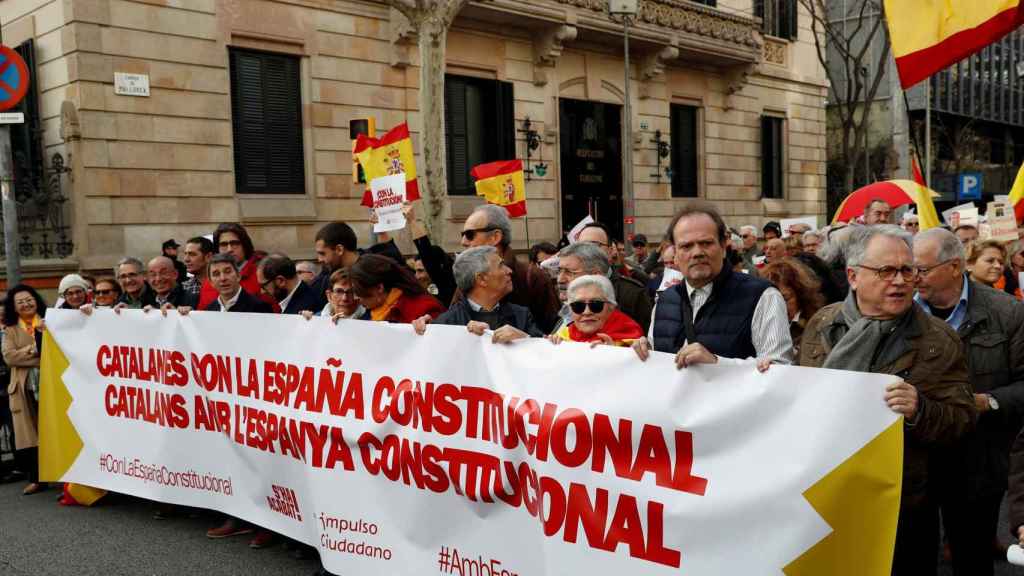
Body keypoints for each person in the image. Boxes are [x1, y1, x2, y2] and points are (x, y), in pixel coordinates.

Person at [799, 225, 975, 576]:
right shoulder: (823, 323)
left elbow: (962, 418)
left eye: (907, 270)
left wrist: (920, 410)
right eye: (885, 271)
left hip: (902, 507)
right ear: (853, 276)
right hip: (825, 497)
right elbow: (799, 397)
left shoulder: (938, 340)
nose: (899, 281)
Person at [914, 228, 1024, 575]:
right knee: (913, 557)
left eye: (922, 269)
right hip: (917, 459)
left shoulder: (1007, 312)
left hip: (980, 457)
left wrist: (989, 402)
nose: (912, 278)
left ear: (955, 266)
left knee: (972, 557)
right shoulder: (900, 311)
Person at [635, 202, 793, 368]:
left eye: (706, 243)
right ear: (675, 254)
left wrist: (717, 364)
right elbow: (658, 362)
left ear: (723, 246)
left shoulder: (763, 297)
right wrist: (638, 353)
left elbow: (778, 370)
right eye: (686, 246)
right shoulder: (664, 301)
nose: (697, 253)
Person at [460, 204, 560, 331]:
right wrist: (429, 326)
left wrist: (525, 338)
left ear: (495, 237)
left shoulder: (533, 277)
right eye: (462, 234)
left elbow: (554, 333)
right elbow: (454, 320)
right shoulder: (470, 274)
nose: (463, 242)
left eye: (470, 234)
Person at [413, 246, 542, 341]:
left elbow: (544, 354)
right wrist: (420, 334)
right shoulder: (447, 324)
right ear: (481, 279)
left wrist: (524, 339)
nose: (509, 271)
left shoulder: (522, 316)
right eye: (501, 265)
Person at [2, 284, 47, 495]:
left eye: (29, 299)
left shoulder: (49, 321)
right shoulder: (10, 329)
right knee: (30, 434)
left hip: (50, 384)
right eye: (20, 302)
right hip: (24, 388)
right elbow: (9, 357)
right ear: (14, 307)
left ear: (36, 299)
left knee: (52, 428)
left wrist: (28, 355)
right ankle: (36, 478)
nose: (26, 304)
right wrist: (35, 350)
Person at [554, 242, 652, 334]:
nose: (560, 280)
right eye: (559, 271)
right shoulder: (565, 308)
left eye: (569, 272)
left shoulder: (631, 298)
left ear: (596, 275)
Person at [549, 275, 643, 346]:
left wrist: (617, 355)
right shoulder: (563, 336)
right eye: (578, 306)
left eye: (596, 305)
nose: (587, 312)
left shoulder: (633, 342)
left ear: (611, 306)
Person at [349, 254, 444, 323]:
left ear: (379, 288)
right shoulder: (372, 311)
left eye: (358, 291)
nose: (356, 297)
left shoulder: (425, 310)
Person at [759, 259, 824, 356]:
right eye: (772, 300)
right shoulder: (758, 324)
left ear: (800, 295)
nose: (779, 306)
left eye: (785, 299)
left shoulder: (816, 324)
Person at [213, 222, 279, 311]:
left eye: (235, 243)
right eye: (224, 244)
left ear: (245, 245)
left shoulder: (263, 275)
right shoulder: (208, 280)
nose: (229, 249)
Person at [577, 222, 648, 284]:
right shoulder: (568, 285)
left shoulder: (631, 291)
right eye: (582, 245)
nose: (587, 250)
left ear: (609, 250)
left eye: (595, 244)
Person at [203, 254, 275, 314]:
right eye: (216, 274)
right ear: (211, 282)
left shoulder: (259, 307)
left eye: (227, 272)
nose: (223, 278)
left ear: (238, 276)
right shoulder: (209, 310)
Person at [256, 254, 321, 315]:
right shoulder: (302, 296)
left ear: (280, 281)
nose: (262, 292)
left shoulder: (303, 310)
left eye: (264, 286)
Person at [181, 236, 215, 308]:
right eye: (185, 254)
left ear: (209, 257)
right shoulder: (183, 287)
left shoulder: (223, 285)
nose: (186, 259)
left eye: (192, 254)